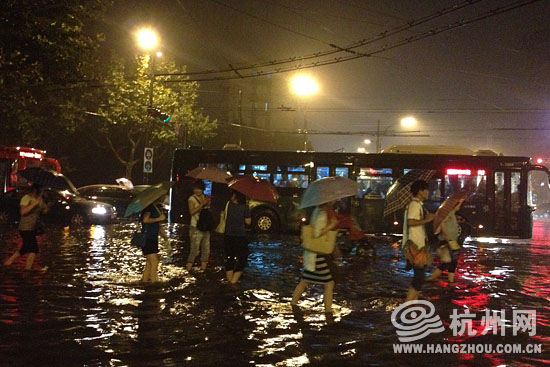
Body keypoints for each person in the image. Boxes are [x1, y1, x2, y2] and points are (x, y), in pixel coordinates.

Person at [291, 201, 340, 322]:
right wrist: (331, 225)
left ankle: (293, 304)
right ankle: (328, 313)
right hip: (317, 254)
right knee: (329, 284)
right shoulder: (322, 214)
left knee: (304, 281)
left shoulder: (316, 211)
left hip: (311, 254)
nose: (335, 201)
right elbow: (317, 233)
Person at [402, 180, 434, 302]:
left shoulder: (418, 204)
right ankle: (407, 305)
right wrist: (426, 220)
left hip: (418, 245)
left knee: (419, 277)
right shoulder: (414, 205)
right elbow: (411, 222)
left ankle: (412, 304)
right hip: (415, 246)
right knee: (419, 278)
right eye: (426, 190)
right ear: (420, 191)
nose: (428, 192)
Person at [4, 184, 48, 270]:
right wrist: (34, 204)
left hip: (33, 227)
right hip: (25, 227)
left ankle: (8, 262)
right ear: (34, 190)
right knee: (33, 248)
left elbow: (44, 210)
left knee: (25, 248)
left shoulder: (40, 199)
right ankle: (28, 268)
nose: (41, 192)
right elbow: (23, 212)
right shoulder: (26, 198)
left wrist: (46, 207)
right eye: (40, 190)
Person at [426, 200, 464, 284]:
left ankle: (434, 277)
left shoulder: (452, 212)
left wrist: (461, 201)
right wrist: (447, 237)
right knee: (451, 261)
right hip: (447, 241)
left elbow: (455, 209)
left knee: (450, 261)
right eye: (458, 205)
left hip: (450, 241)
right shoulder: (449, 213)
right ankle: (449, 281)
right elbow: (442, 223)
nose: (459, 207)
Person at [223, 190, 251, 284]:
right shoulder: (245, 207)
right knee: (242, 259)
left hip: (228, 235)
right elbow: (248, 222)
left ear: (235, 196)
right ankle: (233, 282)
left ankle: (229, 281)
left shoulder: (228, 204)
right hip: (240, 236)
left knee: (229, 258)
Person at [187, 180, 211, 271]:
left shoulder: (205, 197)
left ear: (203, 189)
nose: (197, 191)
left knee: (206, 249)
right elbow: (191, 212)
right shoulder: (191, 199)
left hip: (205, 226)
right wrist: (201, 205)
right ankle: (188, 268)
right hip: (195, 226)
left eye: (199, 189)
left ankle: (203, 268)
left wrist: (207, 204)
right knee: (194, 250)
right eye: (195, 189)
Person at [141, 202, 166, 282]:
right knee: (154, 262)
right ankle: (153, 282)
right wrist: (159, 218)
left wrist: (164, 236)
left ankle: (145, 281)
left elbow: (157, 225)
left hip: (153, 239)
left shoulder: (156, 208)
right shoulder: (149, 208)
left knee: (149, 263)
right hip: (147, 239)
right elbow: (145, 220)